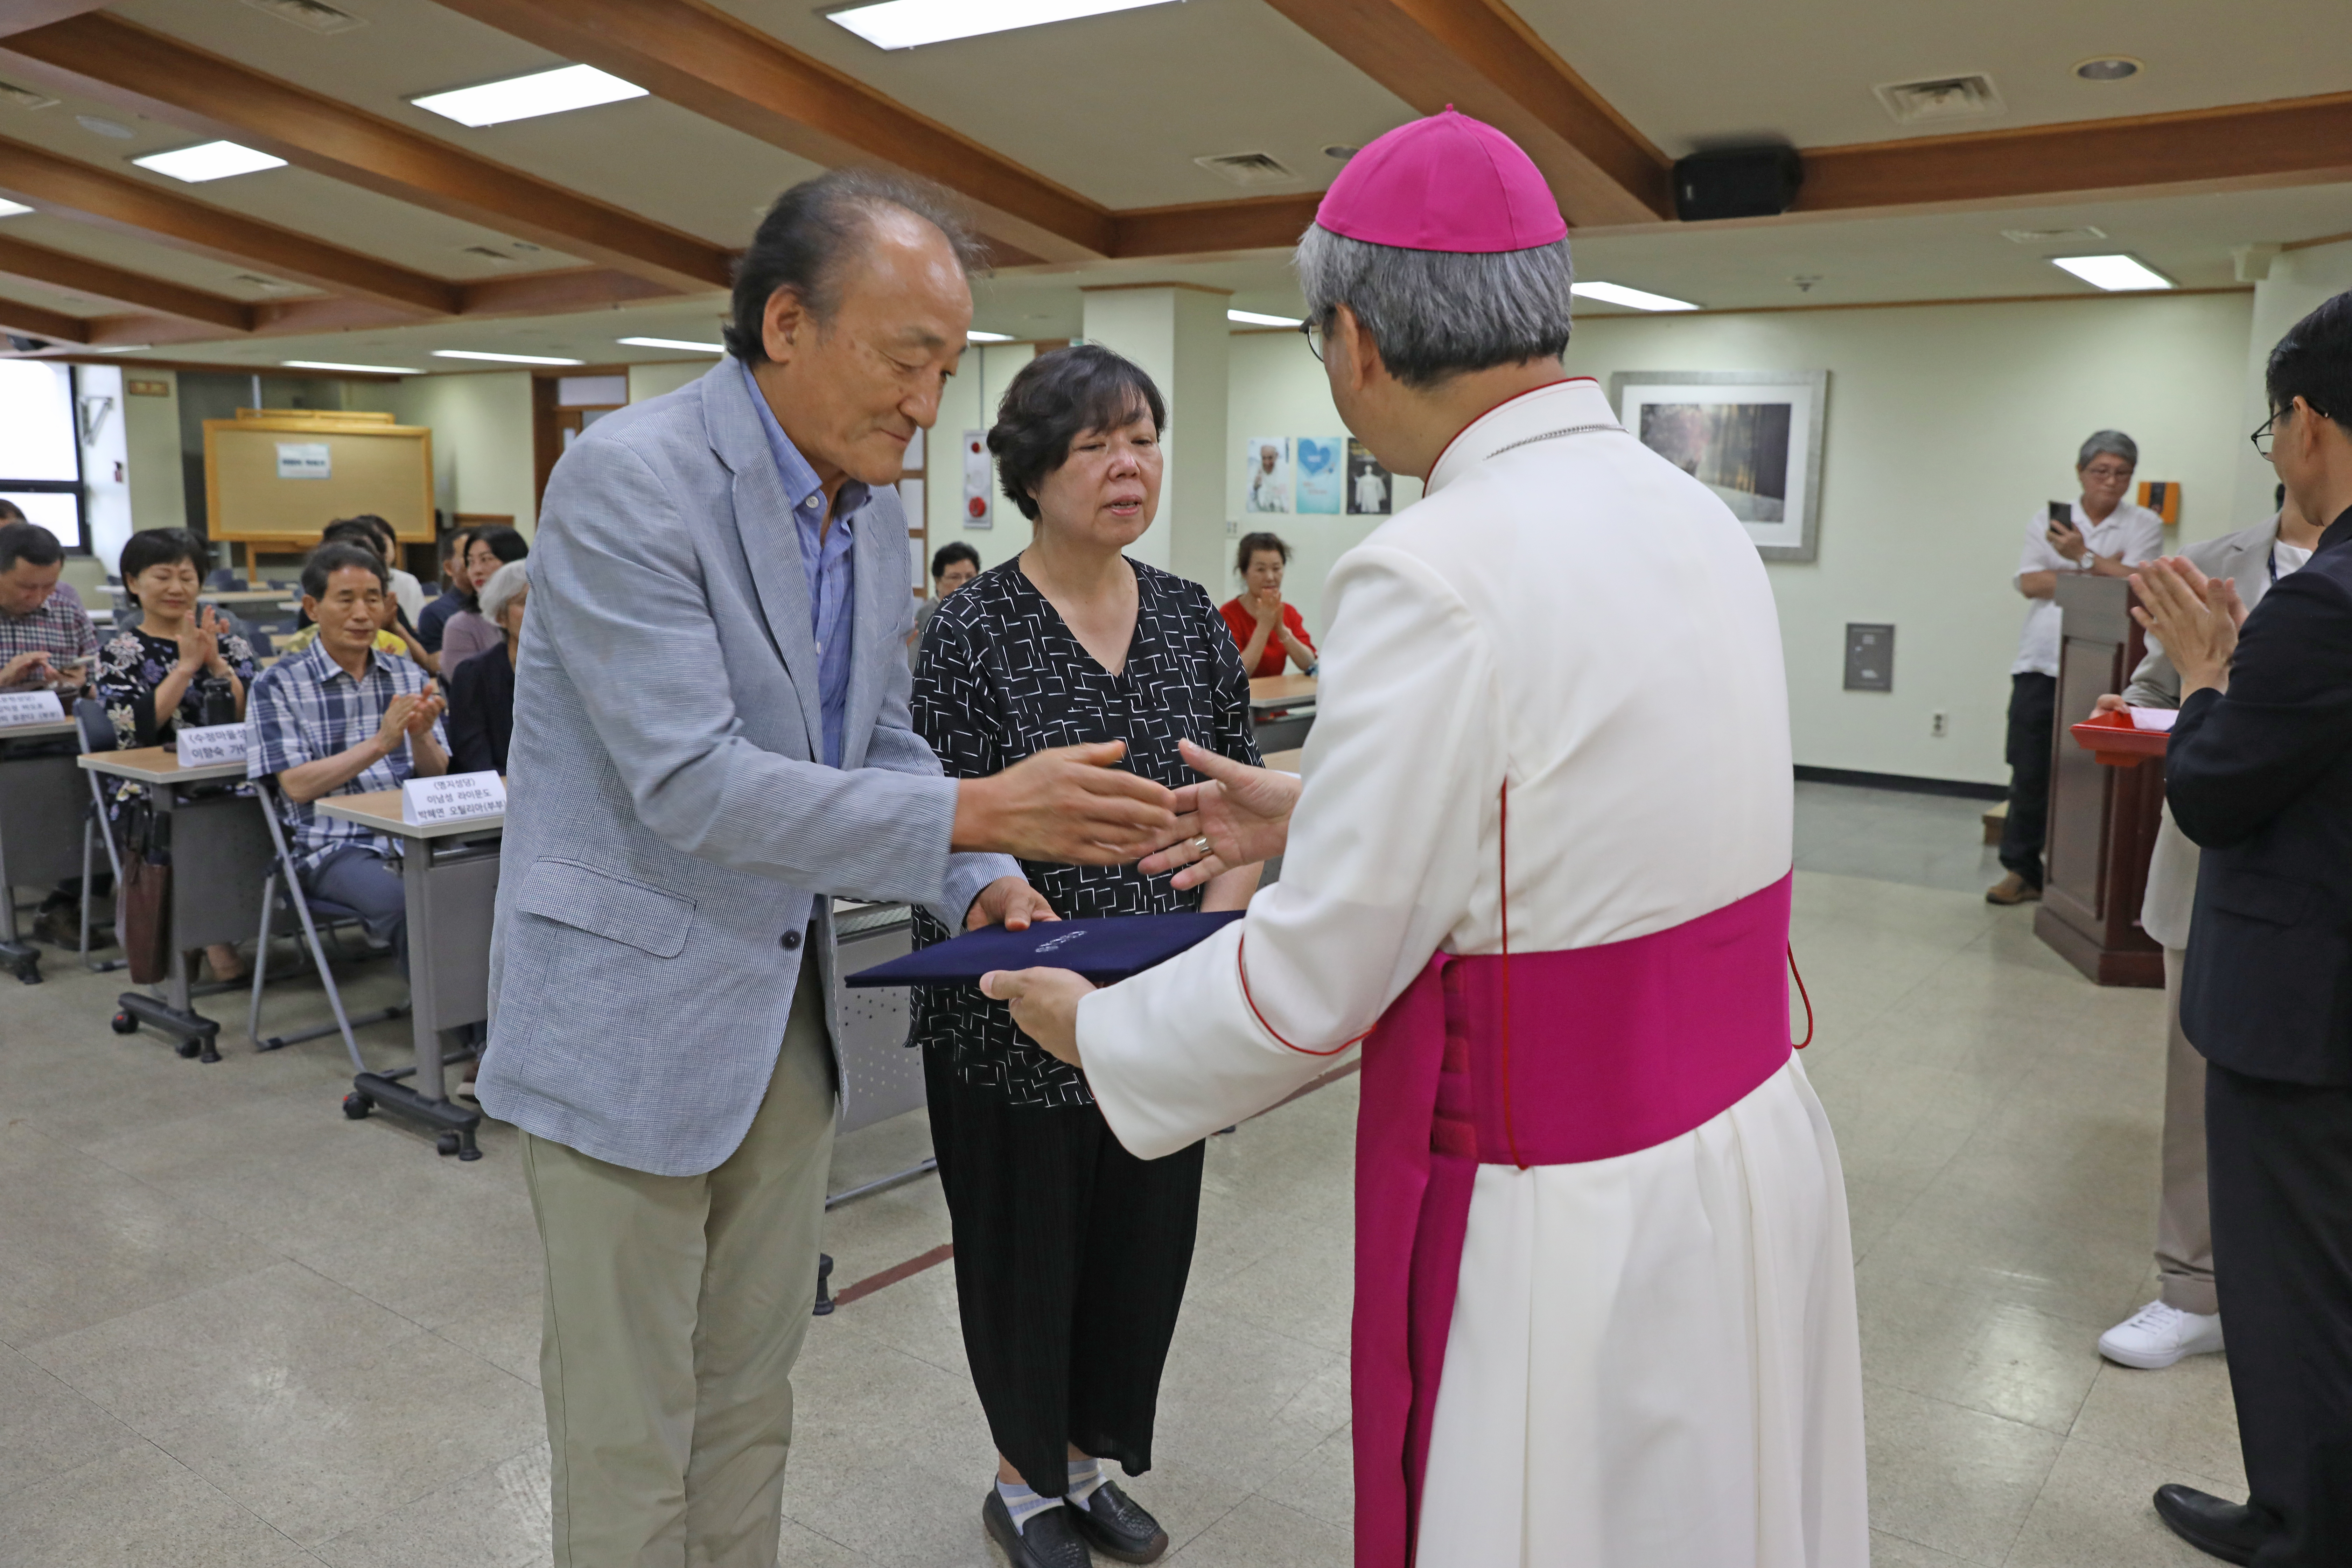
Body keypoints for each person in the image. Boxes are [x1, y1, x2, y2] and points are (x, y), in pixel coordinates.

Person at [985, 108, 1866, 1568]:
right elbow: (1589, 812)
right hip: (1740, 1139)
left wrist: (1097, 1029)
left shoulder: (1430, 565)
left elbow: (1312, 986)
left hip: (1562, 1206)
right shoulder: (1685, 505)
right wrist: (1324, 803)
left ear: (1357, 341)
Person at [473, 169, 1180, 1568]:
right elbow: (688, 782)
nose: (929, 406)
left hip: (778, 1031)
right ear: (786, 323)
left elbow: (884, 745)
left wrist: (978, 871)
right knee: (627, 1426)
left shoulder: (864, 513)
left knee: (751, 1398)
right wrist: (988, 804)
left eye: (945, 369)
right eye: (906, 359)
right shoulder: (630, 480)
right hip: (626, 1027)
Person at [914, 346, 1261, 1568]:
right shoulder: (971, 631)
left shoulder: (1185, 619)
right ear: (1033, 473)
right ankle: (1024, 1476)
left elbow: (1237, 801)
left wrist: (1219, 924)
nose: (1131, 466)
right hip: (1014, 997)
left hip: (1164, 1001)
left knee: (1139, 1246)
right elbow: (938, 814)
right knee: (1028, 1246)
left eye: (1145, 438)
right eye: (1096, 445)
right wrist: (1001, 895)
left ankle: (1086, 1458)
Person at [2139, 292, 2352, 1568]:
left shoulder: (2322, 602)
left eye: (2272, 426)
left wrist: (2207, 677)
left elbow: (2211, 793)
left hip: (2299, 1004)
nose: (2272, 452)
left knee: (2291, 1295)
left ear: (2311, 420)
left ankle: (2297, 1527)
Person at [2088, 482, 2324, 1373]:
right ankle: (2192, 1289)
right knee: (2197, 1090)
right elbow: (2157, 688)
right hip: (2210, 869)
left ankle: (2296, 1292)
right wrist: (2138, 702)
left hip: (2321, 872)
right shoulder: (2215, 564)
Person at [244, 541, 447, 974]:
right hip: (335, 846)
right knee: (409, 903)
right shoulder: (277, 684)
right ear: (313, 608)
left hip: (414, 834)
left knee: (486, 886)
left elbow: (438, 776)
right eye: (347, 599)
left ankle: (494, 1027)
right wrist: (381, 743)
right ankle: (461, 1036)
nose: (362, 613)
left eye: (373, 599)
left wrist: (422, 737)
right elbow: (296, 786)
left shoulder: (408, 674)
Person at [1988, 431, 2165, 904]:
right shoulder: (2051, 519)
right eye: (2101, 471)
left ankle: (2086, 876)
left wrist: (2081, 560)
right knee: (2029, 768)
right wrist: (2102, 573)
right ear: (2081, 472)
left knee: (2094, 771)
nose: (2111, 482)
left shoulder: (2144, 522)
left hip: (2108, 665)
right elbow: (2031, 582)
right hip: (2041, 662)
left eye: (2122, 473)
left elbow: (2139, 585)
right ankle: (2021, 869)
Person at [95, 528, 259, 982]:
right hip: (151, 784)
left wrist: (216, 666)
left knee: (274, 800)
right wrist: (185, 667)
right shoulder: (119, 653)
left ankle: (224, 926)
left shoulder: (228, 643)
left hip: (231, 772)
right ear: (133, 582)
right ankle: (213, 935)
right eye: (162, 576)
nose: (176, 588)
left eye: (187, 577)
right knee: (189, 815)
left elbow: (255, 716)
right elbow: (133, 732)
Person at [447, 558, 524, 776]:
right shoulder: (474, 675)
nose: (539, 612)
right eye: (526, 602)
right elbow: (475, 762)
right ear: (501, 616)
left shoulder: (572, 673)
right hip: (501, 797)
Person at [0, 518, 96, 694]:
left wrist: (82, 686)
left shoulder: (69, 615)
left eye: (49, 586)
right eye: (27, 587)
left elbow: (105, 689)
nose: (38, 598)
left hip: (62, 718)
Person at [1217, 530, 1317, 678]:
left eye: (1276, 569)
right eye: (1261, 570)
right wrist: (1264, 626)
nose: (1270, 577)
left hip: (1275, 698)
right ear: (1244, 573)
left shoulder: (1288, 612)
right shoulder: (1228, 614)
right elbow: (1237, 674)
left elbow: (1309, 664)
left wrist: (1281, 629)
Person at [438, 524, 528, 675]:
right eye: (471, 562)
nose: (476, 570)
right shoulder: (461, 625)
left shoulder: (537, 613)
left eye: (486, 560)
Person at [910, 538, 979, 659]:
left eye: (970, 577)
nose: (964, 583)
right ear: (938, 581)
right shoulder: (929, 614)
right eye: (955, 577)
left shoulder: (980, 611)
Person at [417, 527, 474, 655]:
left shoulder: (502, 605)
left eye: (484, 558)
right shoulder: (435, 613)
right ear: (449, 568)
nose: (477, 565)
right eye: (469, 557)